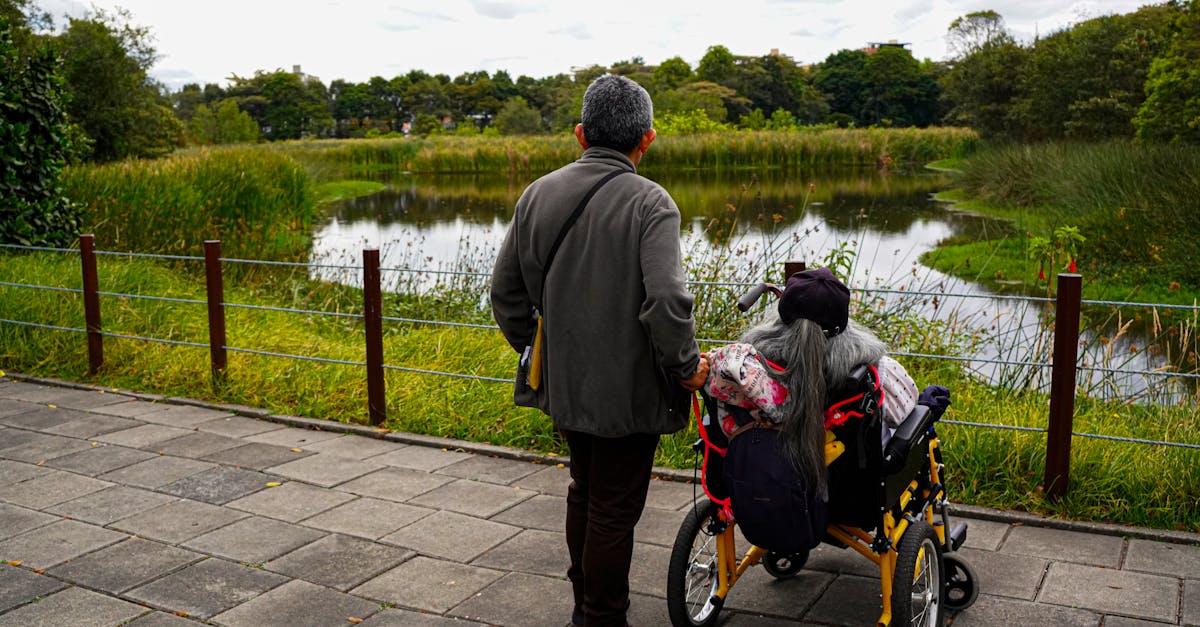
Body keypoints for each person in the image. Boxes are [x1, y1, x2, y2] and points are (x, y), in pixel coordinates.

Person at [490, 74, 709, 627]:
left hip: (565, 386)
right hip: (628, 394)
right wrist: (685, 368)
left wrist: (543, 350)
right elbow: (666, 300)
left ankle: (584, 608)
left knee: (584, 491)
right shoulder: (650, 202)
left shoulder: (537, 193)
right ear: (648, 138)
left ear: (581, 133)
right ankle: (602, 617)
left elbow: (505, 294)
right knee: (612, 507)